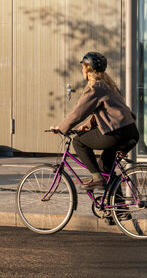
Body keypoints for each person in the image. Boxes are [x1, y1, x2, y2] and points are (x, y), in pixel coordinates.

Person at [50, 52, 139, 190]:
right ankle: (120, 211)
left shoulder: (95, 87)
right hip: (131, 131)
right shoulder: (108, 84)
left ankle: (97, 179)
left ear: (88, 68)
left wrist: (61, 128)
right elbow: (107, 112)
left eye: (83, 67)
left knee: (78, 142)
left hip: (117, 133)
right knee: (106, 170)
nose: (81, 70)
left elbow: (79, 112)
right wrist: (88, 125)